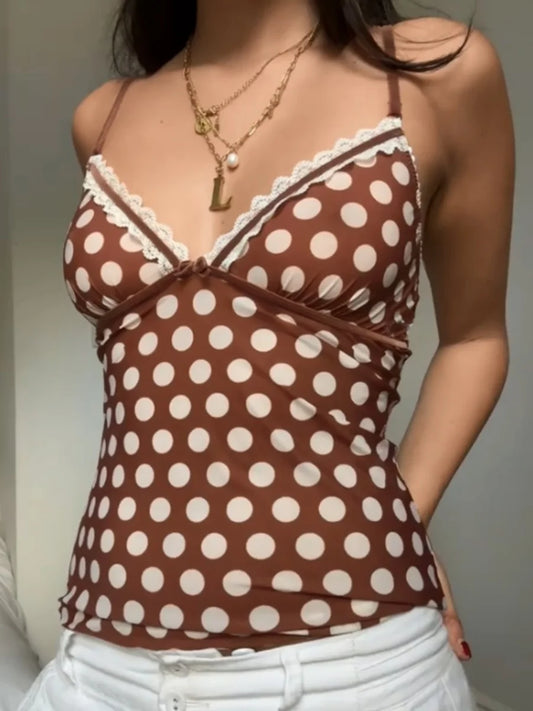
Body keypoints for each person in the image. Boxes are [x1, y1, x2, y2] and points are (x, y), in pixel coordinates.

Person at [18, 0, 514, 709]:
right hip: (99, 665)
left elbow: (474, 338)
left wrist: (404, 517)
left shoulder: (433, 72)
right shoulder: (102, 116)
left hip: (349, 669)